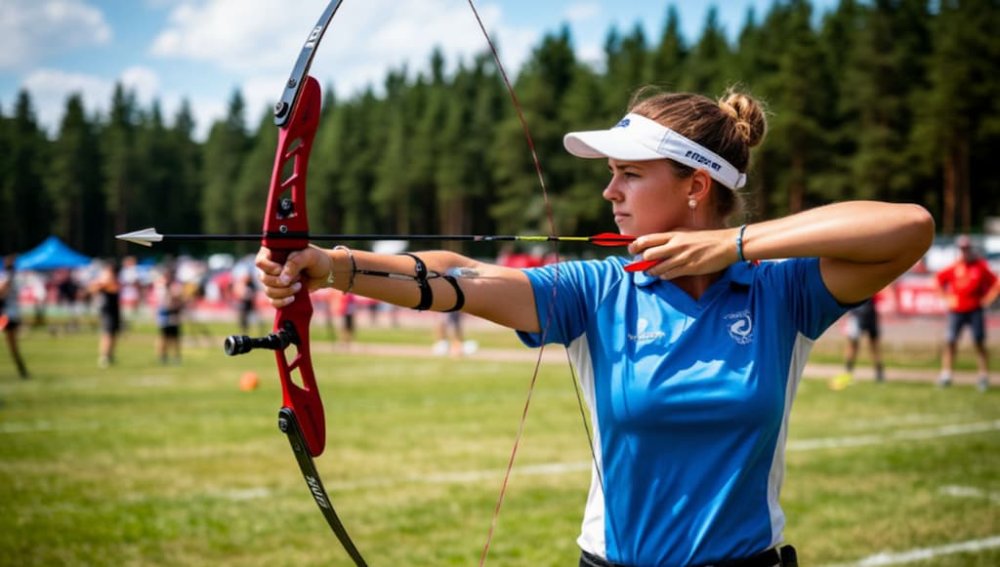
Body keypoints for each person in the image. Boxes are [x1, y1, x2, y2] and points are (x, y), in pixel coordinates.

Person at [256, 88, 934, 566]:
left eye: (629, 175)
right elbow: (461, 276)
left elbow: (909, 227)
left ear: (696, 186)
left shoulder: (784, 291)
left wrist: (736, 247)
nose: (609, 192)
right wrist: (333, 266)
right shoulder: (599, 289)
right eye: (611, 175)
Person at [935, 235, 999, 391]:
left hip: (975, 309)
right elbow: (937, 280)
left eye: (966, 249)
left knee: (979, 342)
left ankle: (983, 376)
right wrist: (946, 298)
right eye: (962, 249)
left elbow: (996, 283)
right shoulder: (954, 267)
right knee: (950, 341)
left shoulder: (980, 266)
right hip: (956, 311)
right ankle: (946, 374)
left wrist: (988, 299)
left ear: (971, 249)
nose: (964, 252)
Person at [829, 294, 884, 390]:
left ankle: (878, 374)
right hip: (860, 313)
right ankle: (849, 373)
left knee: (865, 345)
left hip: (863, 312)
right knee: (857, 345)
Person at [88, 259, 122, 368]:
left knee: (113, 334)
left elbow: (115, 288)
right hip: (107, 310)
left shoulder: (111, 280)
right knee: (107, 334)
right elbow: (93, 289)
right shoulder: (104, 280)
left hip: (114, 309)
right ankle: (104, 356)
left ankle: (109, 355)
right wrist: (102, 284)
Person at [0, 254, 30, 378]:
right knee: (13, 346)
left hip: (6, 314)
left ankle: (22, 370)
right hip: (12, 313)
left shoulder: (7, 276)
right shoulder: (15, 276)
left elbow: (1, 292)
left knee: (12, 345)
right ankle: (22, 370)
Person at [155, 268, 186, 365]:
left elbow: (179, 297)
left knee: (175, 336)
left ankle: (176, 357)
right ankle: (162, 357)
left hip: (174, 312)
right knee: (164, 336)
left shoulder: (175, 284)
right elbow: (166, 301)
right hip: (165, 313)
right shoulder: (161, 285)